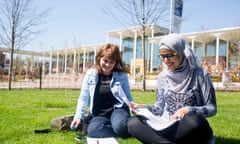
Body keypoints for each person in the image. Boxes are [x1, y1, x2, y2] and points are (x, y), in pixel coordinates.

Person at [128, 33, 217, 144]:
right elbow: (159, 108)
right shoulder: (162, 77)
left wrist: (188, 110)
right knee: (133, 123)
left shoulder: (200, 74)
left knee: (194, 121)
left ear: (181, 52)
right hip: (167, 126)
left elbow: (212, 108)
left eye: (170, 55)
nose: (165, 61)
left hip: (189, 127)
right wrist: (143, 107)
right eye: (162, 56)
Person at [70, 43, 134, 138]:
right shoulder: (90, 74)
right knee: (93, 131)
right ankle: (118, 129)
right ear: (99, 58)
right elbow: (83, 97)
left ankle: (120, 127)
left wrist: (135, 108)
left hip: (118, 110)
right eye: (105, 60)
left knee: (120, 126)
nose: (108, 65)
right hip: (99, 115)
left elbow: (127, 96)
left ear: (116, 62)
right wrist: (79, 116)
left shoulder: (121, 75)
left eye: (112, 62)